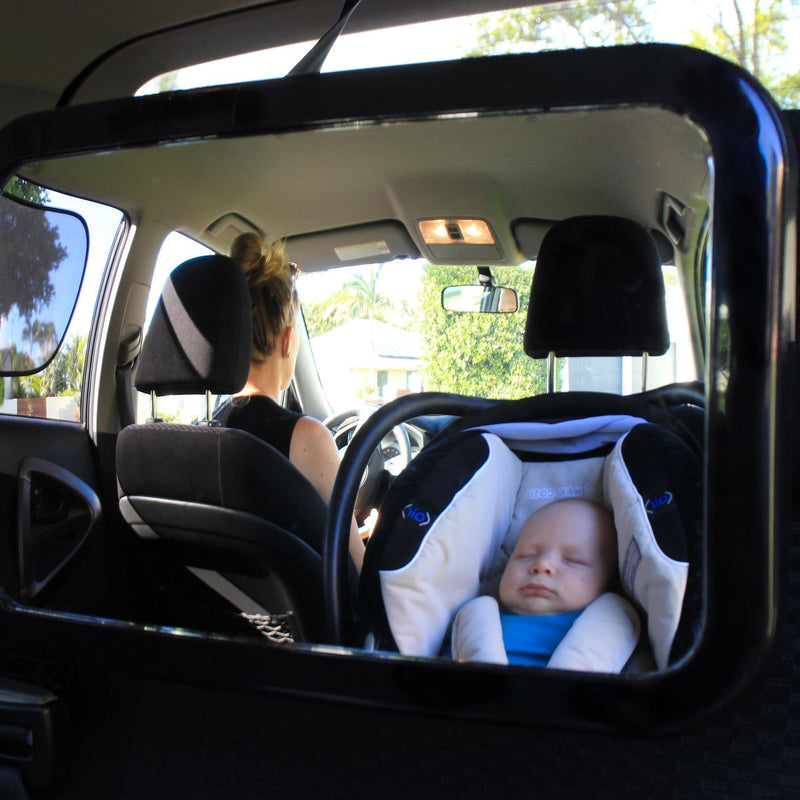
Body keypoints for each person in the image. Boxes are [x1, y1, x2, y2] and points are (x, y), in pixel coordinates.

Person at [218, 232, 365, 572]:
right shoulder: (307, 440)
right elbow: (357, 575)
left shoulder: (193, 437)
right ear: (287, 341)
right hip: (298, 625)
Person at [452, 498, 622, 667]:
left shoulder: (612, 632)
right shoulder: (476, 627)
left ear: (610, 580)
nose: (542, 565)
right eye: (526, 555)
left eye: (573, 560)